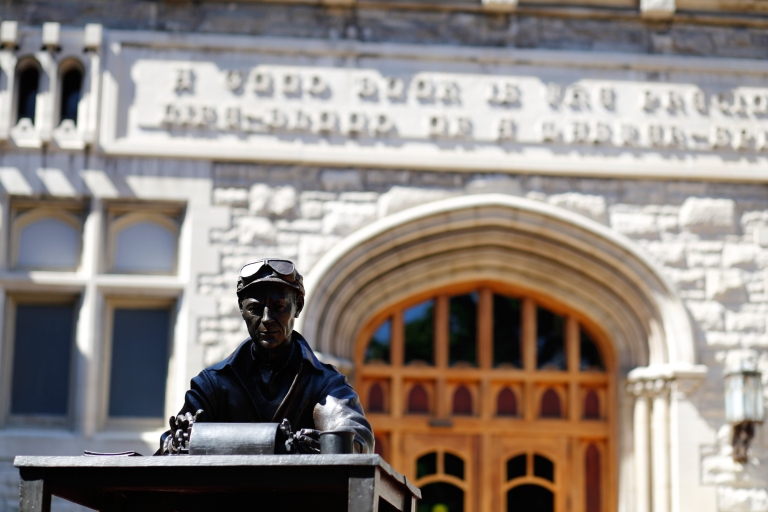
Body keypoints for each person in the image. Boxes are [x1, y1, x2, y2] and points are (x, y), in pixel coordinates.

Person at [158, 258, 373, 455]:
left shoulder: (324, 384)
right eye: (255, 308)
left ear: (298, 306)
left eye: (279, 307)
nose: (267, 319)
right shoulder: (213, 384)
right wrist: (180, 437)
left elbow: (355, 441)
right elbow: (170, 445)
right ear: (242, 310)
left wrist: (319, 444)